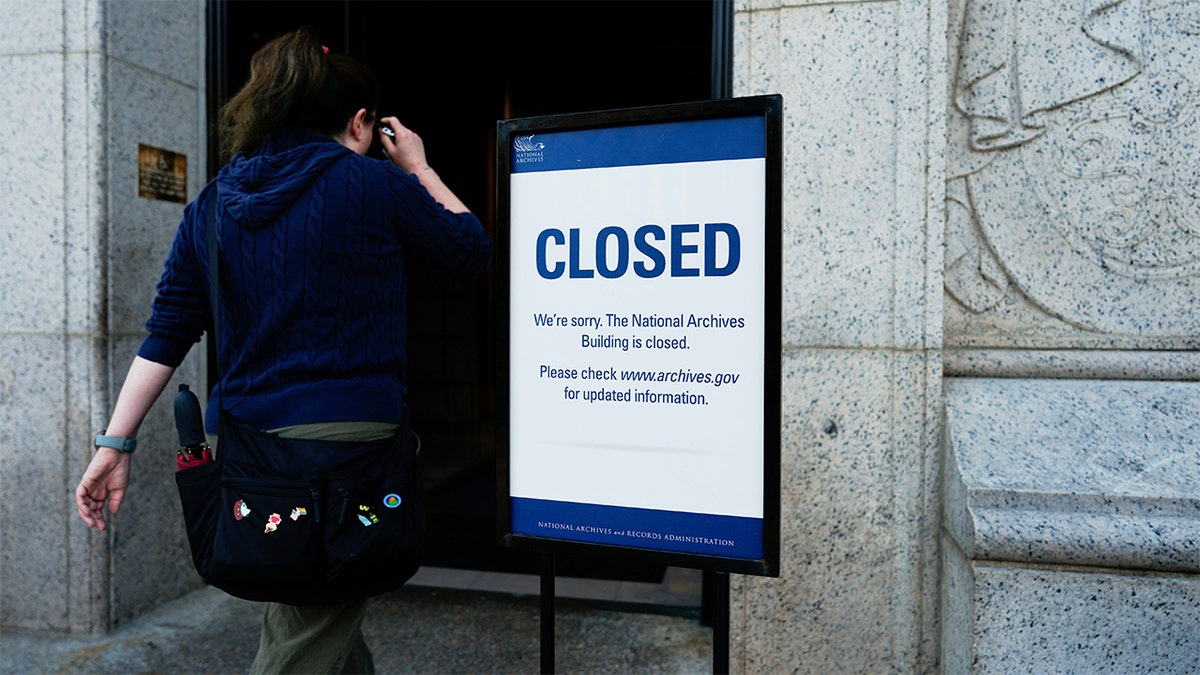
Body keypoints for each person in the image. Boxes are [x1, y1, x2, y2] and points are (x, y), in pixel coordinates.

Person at [74, 27, 492, 674]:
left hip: (251, 449)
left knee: (314, 598)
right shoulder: (377, 187)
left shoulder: (212, 205)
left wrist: (115, 444)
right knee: (307, 628)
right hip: (352, 443)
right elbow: (471, 250)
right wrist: (418, 166)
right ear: (359, 121)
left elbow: (168, 330)